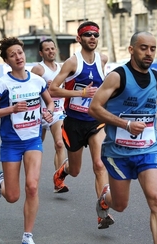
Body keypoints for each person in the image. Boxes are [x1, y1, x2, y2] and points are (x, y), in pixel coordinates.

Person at [88, 31, 157, 244]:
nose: (149, 53)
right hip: (118, 153)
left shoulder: (156, 77)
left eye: (152, 48)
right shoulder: (117, 76)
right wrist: (126, 124)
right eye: (143, 48)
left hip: (149, 148)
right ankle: (104, 199)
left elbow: (145, 105)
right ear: (131, 50)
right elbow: (94, 108)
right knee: (119, 205)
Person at [0, 37, 54, 244]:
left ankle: (27, 237)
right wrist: (10, 110)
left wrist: (48, 110)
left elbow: (49, 101)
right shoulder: (3, 85)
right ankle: (2, 181)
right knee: (12, 196)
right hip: (11, 143)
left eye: (20, 53)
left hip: (33, 140)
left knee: (32, 186)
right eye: (12, 55)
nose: (18, 57)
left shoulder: (37, 81)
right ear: (6, 60)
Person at [48, 21, 114, 229]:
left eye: (95, 34)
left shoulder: (102, 59)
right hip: (74, 122)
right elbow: (53, 89)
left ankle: (102, 212)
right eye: (87, 34)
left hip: (95, 120)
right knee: (75, 170)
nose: (92, 37)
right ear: (79, 39)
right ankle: (61, 173)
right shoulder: (72, 63)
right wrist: (81, 93)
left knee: (99, 164)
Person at [30, 39, 67, 173]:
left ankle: (59, 180)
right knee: (34, 148)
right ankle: (30, 174)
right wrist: (45, 87)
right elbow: (29, 90)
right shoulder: (38, 69)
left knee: (59, 144)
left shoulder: (62, 68)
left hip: (57, 113)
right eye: (47, 49)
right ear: (41, 52)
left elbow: (68, 87)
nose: (50, 51)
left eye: (52, 48)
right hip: (40, 114)